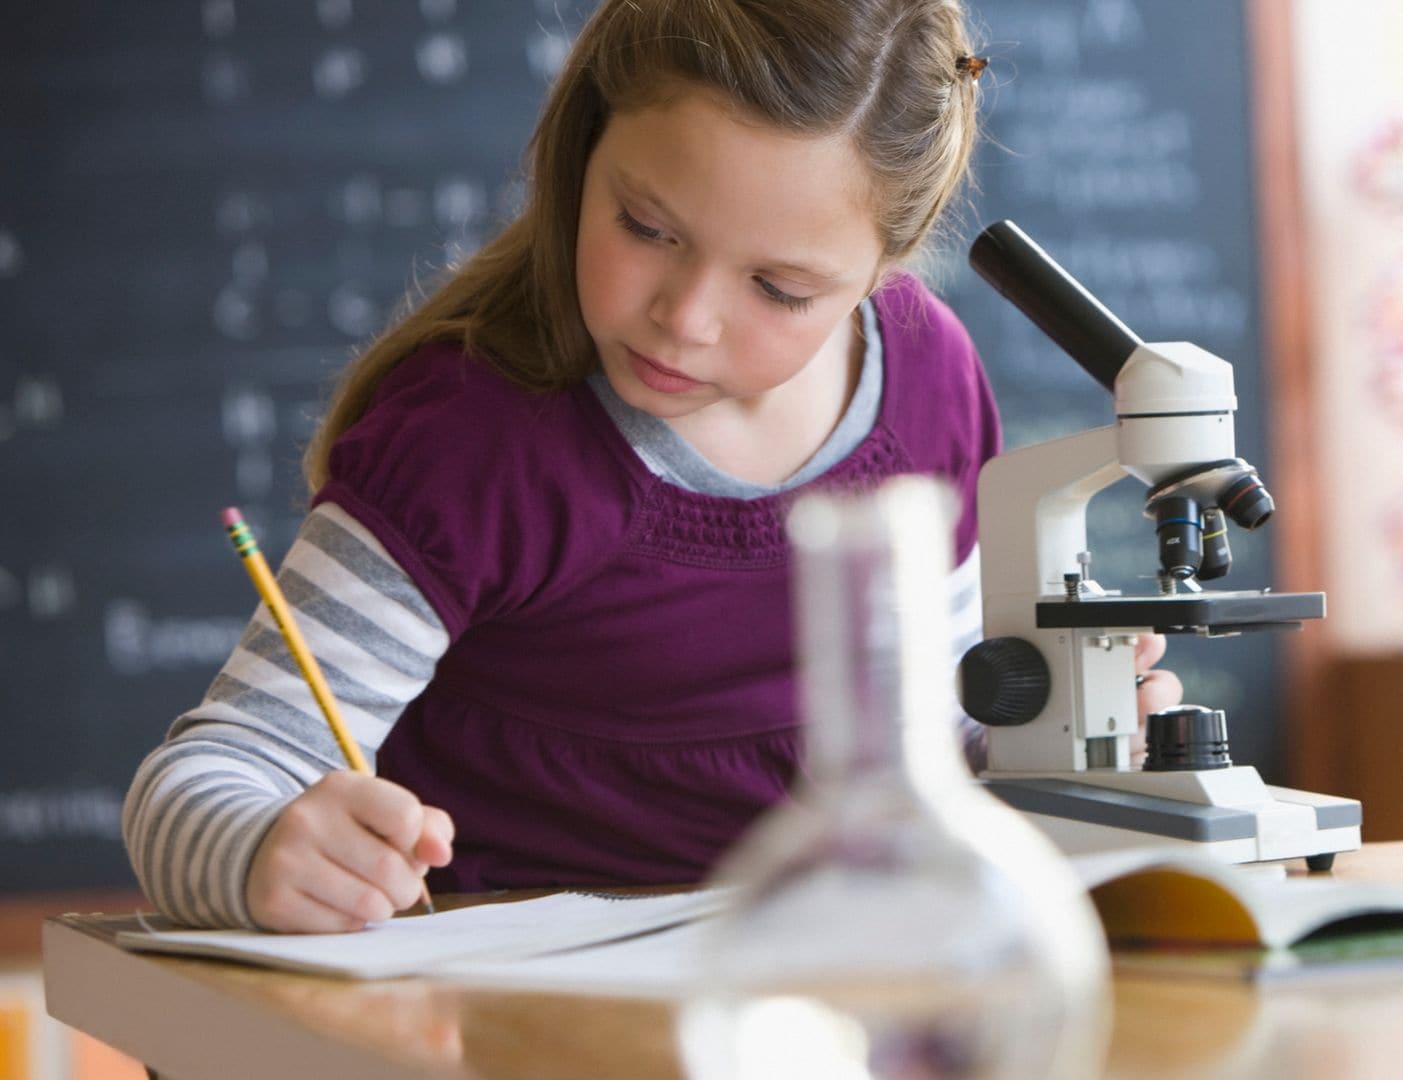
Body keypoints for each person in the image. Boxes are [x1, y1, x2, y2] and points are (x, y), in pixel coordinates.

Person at [123, 0, 1182, 933]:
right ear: (583, 152)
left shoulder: (932, 382)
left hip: (813, 997)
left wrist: (1049, 750)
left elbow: (941, 738)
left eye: (780, 288)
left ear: (882, 272)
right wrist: (261, 855)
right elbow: (200, 780)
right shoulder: (471, 436)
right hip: (501, 1028)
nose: (686, 319)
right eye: (646, 227)